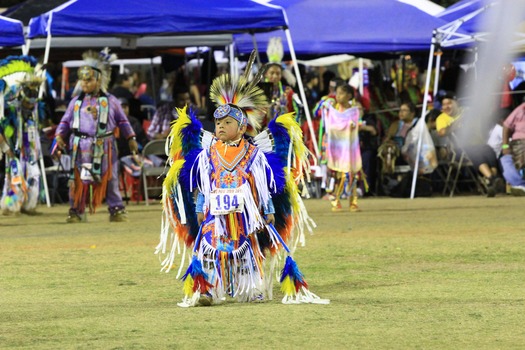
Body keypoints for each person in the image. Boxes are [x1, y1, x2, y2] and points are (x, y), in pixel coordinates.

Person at [155, 50, 328, 307]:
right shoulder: (209, 153)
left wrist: (268, 210)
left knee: (248, 248)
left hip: (246, 213)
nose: (220, 127)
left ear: (241, 126)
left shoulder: (253, 154)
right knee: (211, 248)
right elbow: (205, 183)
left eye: (226, 123)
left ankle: (252, 288)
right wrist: (201, 206)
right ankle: (209, 290)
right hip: (216, 211)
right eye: (217, 123)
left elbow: (263, 187)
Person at [53, 48, 138, 223]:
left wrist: (131, 138)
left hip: (105, 145)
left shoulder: (111, 101)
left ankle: (116, 209)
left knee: (111, 177)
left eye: (89, 80)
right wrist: (59, 137)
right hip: (80, 146)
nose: (84, 83)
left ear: (99, 80)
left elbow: (123, 121)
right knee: (78, 180)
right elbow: (65, 122)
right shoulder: (75, 102)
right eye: (82, 80)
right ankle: (76, 210)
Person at [436, 92, 504, 197]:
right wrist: (457, 123)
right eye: (443, 104)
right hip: (457, 150)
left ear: (456, 103)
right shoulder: (441, 118)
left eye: (449, 103)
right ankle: (492, 179)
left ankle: (491, 182)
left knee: (489, 151)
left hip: (478, 144)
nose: (446, 107)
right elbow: (442, 133)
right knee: (474, 152)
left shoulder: (467, 110)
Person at [0, 55, 44, 216]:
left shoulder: (34, 111)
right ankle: (10, 206)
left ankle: (29, 205)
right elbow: (3, 127)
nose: (30, 106)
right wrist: (6, 148)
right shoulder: (11, 107)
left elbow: (37, 128)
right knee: (14, 174)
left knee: (34, 174)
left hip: (30, 148)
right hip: (14, 147)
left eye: (33, 103)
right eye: (27, 103)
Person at [322, 84, 363, 212]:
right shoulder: (333, 110)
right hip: (337, 148)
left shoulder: (354, 111)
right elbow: (330, 126)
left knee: (351, 175)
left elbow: (357, 123)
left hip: (350, 148)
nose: (338, 96)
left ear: (349, 96)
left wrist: (353, 125)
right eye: (337, 93)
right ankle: (336, 201)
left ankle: (353, 202)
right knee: (337, 175)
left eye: (341, 93)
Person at [501, 103, 525, 195]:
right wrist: (505, 146)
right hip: (517, 143)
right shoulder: (520, 109)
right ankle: (520, 185)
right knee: (505, 159)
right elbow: (506, 125)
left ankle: (520, 185)